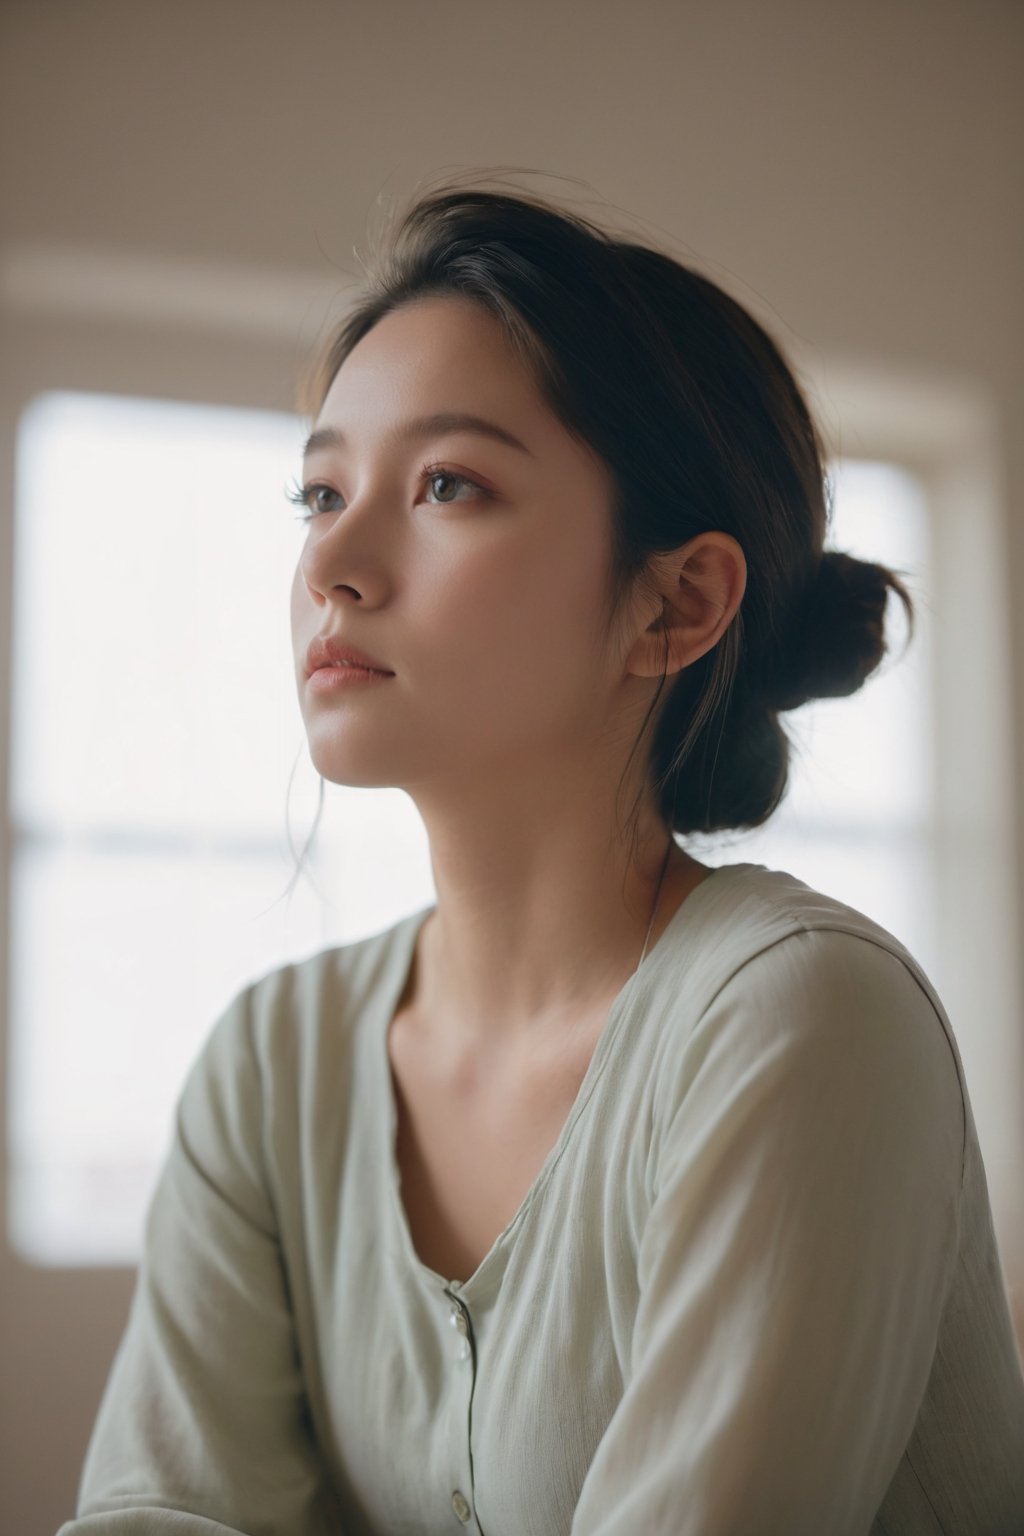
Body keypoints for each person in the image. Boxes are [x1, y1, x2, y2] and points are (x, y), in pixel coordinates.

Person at [59, 179, 1024, 1536]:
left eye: (449, 483)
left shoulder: (801, 1019)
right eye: (320, 490)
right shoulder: (267, 1065)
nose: (333, 556)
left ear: (676, 602)